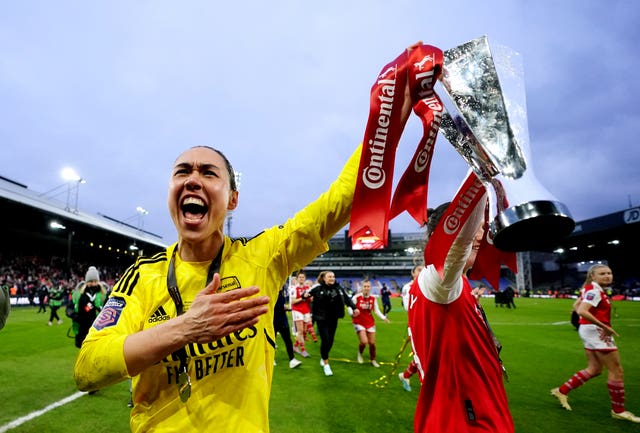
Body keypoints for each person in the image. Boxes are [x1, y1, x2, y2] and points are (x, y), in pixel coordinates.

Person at [73, 144, 361, 433]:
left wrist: (388, 110)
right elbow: (87, 369)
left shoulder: (263, 258)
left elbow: (343, 198)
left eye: (209, 173)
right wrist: (186, 327)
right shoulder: (142, 275)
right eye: (182, 172)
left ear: (233, 199)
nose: (192, 180)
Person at [407, 198, 514, 432]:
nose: (479, 237)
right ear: (445, 233)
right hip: (464, 420)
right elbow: (455, 250)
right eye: (471, 227)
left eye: (481, 228)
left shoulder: (454, 285)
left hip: (471, 413)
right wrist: (483, 177)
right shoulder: (438, 280)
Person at [551, 264, 640, 423]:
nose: (607, 276)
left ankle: (561, 390)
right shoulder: (594, 291)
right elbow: (581, 310)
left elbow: (576, 305)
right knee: (616, 370)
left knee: (595, 368)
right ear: (593, 276)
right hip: (596, 332)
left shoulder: (589, 288)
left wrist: (586, 324)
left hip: (588, 330)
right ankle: (618, 411)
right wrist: (604, 326)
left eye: (609, 273)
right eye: (602, 273)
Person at [307, 270, 359, 376]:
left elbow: (346, 299)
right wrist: (305, 296)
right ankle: (326, 364)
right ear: (324, 278)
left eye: (333, 276)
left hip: (333, 318)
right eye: (329, 276)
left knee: (330, 341)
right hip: (321, 318)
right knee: (325, 340)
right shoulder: (318, 288)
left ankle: (324, 356)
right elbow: (305, 295)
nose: (332, 278)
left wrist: (354, 308)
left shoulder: (338, 288)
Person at [350, 278, 389, 367]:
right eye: (365, 286)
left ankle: (373, 359)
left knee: (372, 343)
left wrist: (383, 318)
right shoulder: (356, 297)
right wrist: (352, 313)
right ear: (362, 287)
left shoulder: (373, 298)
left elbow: (376, 310)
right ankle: (360, 354)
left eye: (368, 286)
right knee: (364, 342)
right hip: (358, 322)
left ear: (370, 287)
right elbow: (350, 307)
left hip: (369, 322)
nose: (366, 288)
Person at [398, 264, 423, 392]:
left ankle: (405, 375)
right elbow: (409, 307)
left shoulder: (427, 285)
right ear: (412, 273)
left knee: (427, 355)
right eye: (419, 270)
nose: (422, 271)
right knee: (422, 355)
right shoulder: (408, 287)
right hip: (416, 325)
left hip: (428, 323)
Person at [74, 266, 108, 349]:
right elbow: (79, 311)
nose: (93, 283)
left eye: (95, 281)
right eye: (90, 281)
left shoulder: (104, 294)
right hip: (84, 328)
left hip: (99, 328)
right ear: (87, 282)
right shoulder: (81, 295)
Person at [274, 285, 302, 369]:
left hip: (283, 320)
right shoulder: (271, 292)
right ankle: (271, 359)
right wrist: (283, 308)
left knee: (288, 340)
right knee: (271, 342)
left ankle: (292, 360)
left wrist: (285, 308)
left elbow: (280, 305)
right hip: (273, 321)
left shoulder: (281, 292)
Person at [290, 271, 313, 358]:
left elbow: (310, 300)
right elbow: (293, 301)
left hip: (306, 310)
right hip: (297, 311)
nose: (301, 279)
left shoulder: (308, 288)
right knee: (300, 331)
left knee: (304, 331)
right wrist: (302, 297)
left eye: (303, 277)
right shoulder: (294, 288)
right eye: (300, 277)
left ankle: (295, 346)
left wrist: (310, 297)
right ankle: (303, 350)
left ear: (305, 278)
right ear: (297, 278)